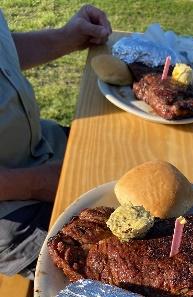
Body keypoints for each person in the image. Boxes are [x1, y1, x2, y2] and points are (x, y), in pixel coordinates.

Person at [0, 4, 112, 279]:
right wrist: (38, 183)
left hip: (39, 143)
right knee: (110, 264)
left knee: (118, 151)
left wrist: (66, 37)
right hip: (12, 213)